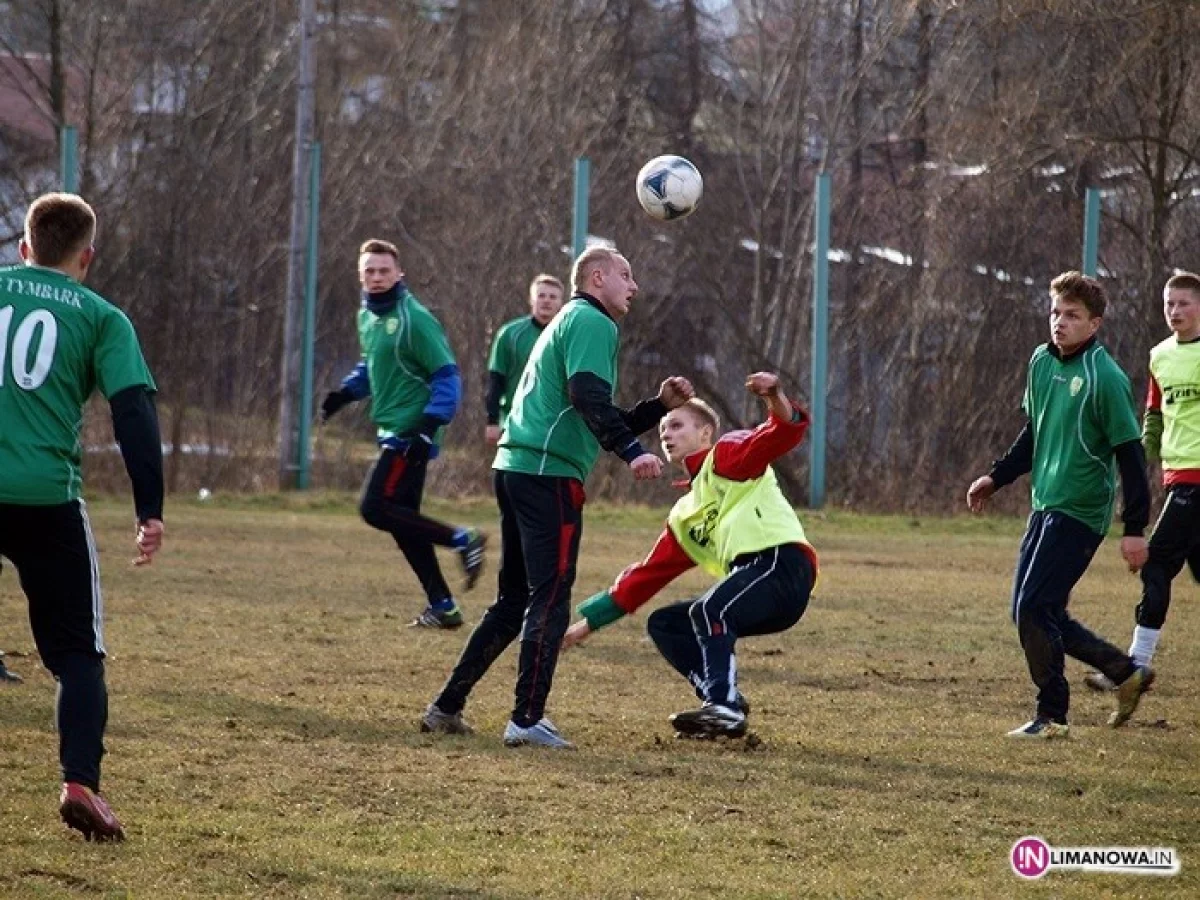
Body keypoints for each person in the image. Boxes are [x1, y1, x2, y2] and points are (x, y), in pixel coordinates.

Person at [421, 246, 692, 748]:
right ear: (596, 278)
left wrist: (657, 407)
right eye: (625, 276)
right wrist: (633, 452)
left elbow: (591, 416)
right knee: (550, 597)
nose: (634, 287)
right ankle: (526, 719)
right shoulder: (594, 322)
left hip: (518, 467)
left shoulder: (568, 320)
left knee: (513, 601)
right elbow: (588, 400)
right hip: (547, 476)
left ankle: (446, 706)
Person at [0, 193, 165, 840]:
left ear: (24, 247)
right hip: (46, 498)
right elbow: (134, 414)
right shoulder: (101, 317)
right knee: (77, 655)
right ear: (87, 256)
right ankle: (79, 784)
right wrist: (149, 509)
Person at [560, 373, 818, 739]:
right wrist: (583, 627)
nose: (666, 434)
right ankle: (724, 700)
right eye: (663, 428)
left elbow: (781, 433)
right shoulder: (686, 513)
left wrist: (775, 396)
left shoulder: (727, 456)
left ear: (705, 434)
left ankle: (723, 706)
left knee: (708, 610)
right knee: (666, 624)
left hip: (781, 566)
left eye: (677, 425)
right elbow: (645, 578)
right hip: (754, 585)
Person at [966, 271, 1154, 738]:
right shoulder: (1040, 363)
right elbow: (1033, 433)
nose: (1060, 322)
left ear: (1095, 324)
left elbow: (1131, 457)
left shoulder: (1104, 377)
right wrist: (996, 476)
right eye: (1055, 312)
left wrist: (1135, 527)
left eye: (1072, 315)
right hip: (1045, 505)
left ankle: (1052, 716)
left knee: (1033, 609)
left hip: (1081, 513)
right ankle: (1125, 672)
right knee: (1033, 612)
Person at [321, 239, 485, 629]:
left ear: (399, 274)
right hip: (393, 428)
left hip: (411, 432)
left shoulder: (415, 319)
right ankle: (443, 606)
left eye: (384, 271)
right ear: (361, 276)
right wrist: (345, 394)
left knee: (374, 508)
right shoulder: (367, 315)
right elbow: (374, 365)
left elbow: (447, 376)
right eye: (369, 272)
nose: (377, 278)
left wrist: (428, 427)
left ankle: (463, 539)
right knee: (403, 520)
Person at [1086, 272, 1200, 698]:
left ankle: (1134, 667)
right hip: (1177, 477)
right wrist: (1146, 452)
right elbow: (1155, 411)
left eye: (1184, 303)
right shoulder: (1160, 356)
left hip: (1196, 480)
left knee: (1156, 566)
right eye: (1169, 304)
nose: (1175, 311)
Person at [484, 274, 565, 444]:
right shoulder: (510, 334)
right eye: (541, 295)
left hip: (555, 425)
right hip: (515, 422)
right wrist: (492, 420)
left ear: (561, 302)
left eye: (552, 297)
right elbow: (495, 380)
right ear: (531, 299)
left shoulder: (567, 337)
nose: (546, 301)